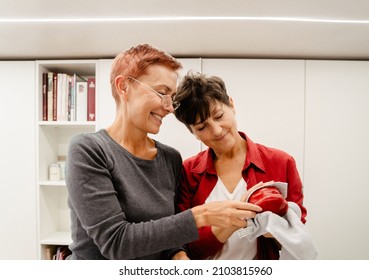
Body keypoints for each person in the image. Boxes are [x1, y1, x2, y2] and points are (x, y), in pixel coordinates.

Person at [65, 44, 261, 260]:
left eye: (172, 97)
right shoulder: (89, 150)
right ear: (123, 87)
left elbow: (170, 234)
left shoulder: (170, 159)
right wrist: (202, 215)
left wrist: (178, 253)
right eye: (161, 93)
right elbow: (116, 242)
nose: (169, 108)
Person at [173, 72, 307, 260]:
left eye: (219, 116)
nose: (217, 130)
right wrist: (233, 221)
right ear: (193, 132)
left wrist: (274, 227)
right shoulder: (188, 172)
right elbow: (186, 248)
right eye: (202, 127)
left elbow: (296, 239)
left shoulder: (281, 162)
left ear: (231, 104)